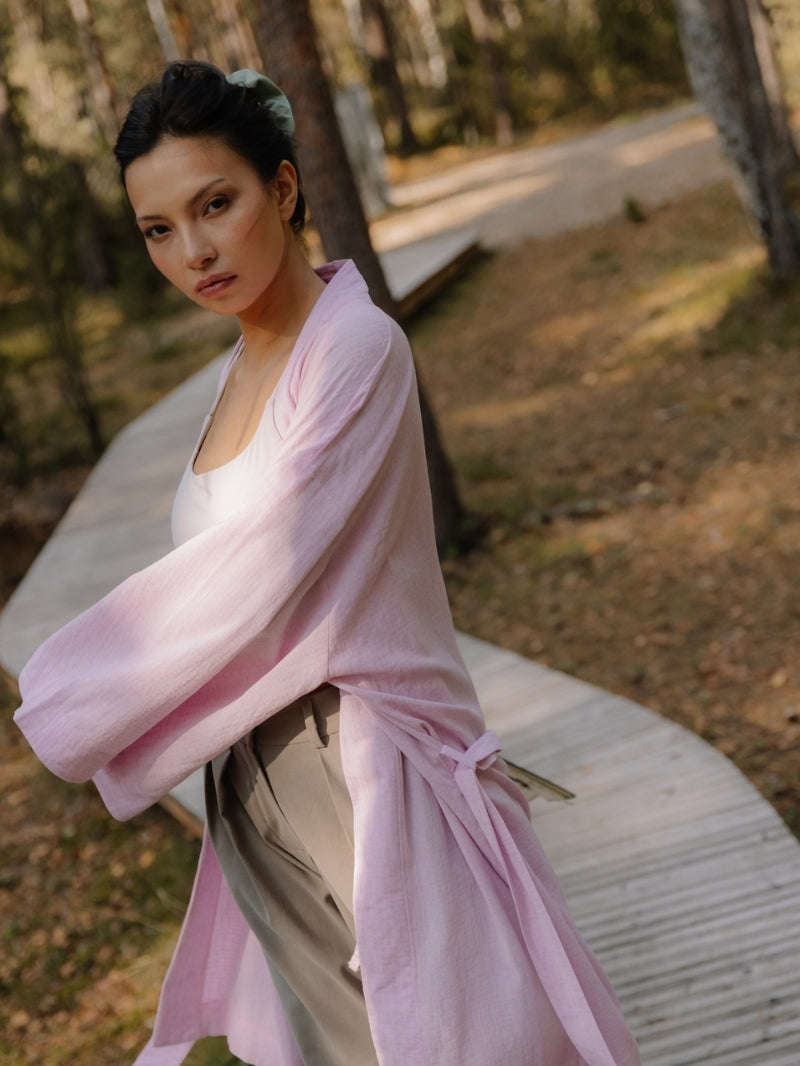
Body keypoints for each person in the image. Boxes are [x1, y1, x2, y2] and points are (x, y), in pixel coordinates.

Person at [13, 61, 641, 1066]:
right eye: (158, 229)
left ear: (283, 188)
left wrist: (70, 696)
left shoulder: (354, 346)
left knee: (448, 1044)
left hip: (356, 759)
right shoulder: (241, 364)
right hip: (246, 767)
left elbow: (262, 571)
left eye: (215, 204)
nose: (193, 251)